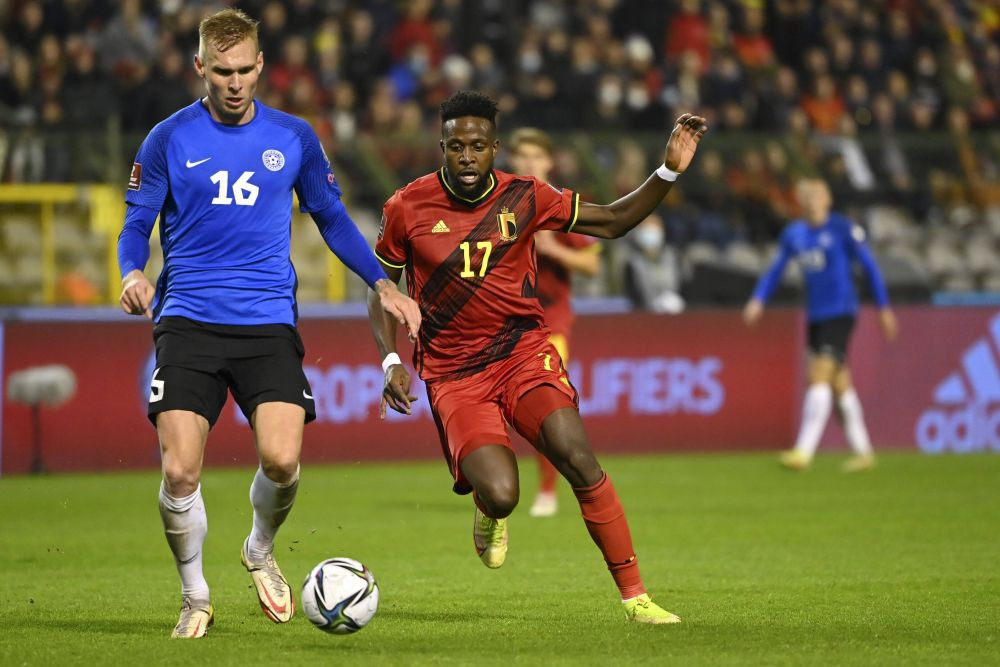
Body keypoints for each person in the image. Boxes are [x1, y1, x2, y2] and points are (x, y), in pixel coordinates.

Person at [116, 9, 420, 639]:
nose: (233, 82)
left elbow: (331, 218)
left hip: (267, 321)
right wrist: (131, 272)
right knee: (180, 472)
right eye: (220, 71)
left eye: (244, 70)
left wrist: (382, 282)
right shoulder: (168, 138)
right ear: (200, 68)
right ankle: (195, 595)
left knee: (282, 462)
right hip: (189, 319)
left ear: (261, 67)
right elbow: (136, 223)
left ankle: (258, 549)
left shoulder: (295, 137)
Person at [367, 91, 706, 624]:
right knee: (503, 493)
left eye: (478, 145)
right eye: (456, 145)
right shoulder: (406, 206)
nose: (467, 156)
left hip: (523, 353)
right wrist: (390, 360)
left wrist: (665, 171)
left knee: (578, 456)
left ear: (494, 148)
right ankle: (489, 510)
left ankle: (636, 597)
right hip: (455, 374)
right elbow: (379, 291)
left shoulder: (526, 196)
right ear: (442, 147)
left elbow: (613, 222)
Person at [743, 178, 897, 472]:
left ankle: (803, 451)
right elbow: (776, 270)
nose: (813, 199)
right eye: (808, 195)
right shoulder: (795, 234)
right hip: (816, 316)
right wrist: (758, 299)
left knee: (818, 376)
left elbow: (870, 267)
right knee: (840, 384)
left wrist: (883, 307)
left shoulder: (842, 229)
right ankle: (864, 453)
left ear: (828, 199)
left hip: (841, 311)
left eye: (818, 194)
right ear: (802, 201)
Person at [507, 127, 601, 518]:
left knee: (546, 403)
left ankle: (547, 489)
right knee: (502, 412)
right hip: (503, 320)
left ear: (548, 161)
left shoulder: (561, 206)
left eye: (536, 156)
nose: (529, 162)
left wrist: (553, 250)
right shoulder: (498, 205)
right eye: (522, 155)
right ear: (511, 161)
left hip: (550, 321)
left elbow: (592, 263)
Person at [623, 213, 686, 314]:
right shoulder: (632, 262)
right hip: (645, 314)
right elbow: (632, 295)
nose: (651, 233)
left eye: (655, 229)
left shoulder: (673, 257)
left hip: (675, 312)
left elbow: (684, 286)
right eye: (646, 229)